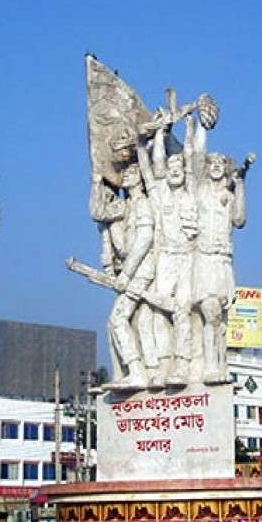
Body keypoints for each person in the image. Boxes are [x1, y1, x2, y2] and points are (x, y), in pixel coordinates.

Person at [186, 113, 248, 384]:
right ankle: (209, 367)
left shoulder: (229, 195)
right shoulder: (199, 190)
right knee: (210, 310)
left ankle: (218, 364)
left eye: (220, 164)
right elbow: (197, 155)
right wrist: (201, 126)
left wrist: (241, 185)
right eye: (212, 163)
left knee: (219, 319)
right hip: (203, 258)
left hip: (223, 261)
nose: (215, 166)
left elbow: (240, 220)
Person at [138, 119, 198, 385]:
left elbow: (193, 155)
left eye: (179, 167)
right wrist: (158, 134)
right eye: (171, 166)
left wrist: (190, 129)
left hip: (187, 258)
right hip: (165, 259)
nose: (174, 170)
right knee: (158, 312)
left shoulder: (192, 192)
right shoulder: (159, 192)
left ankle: (183, 366)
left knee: (183, 310)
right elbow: (152, 168)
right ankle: (162, 367)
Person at [106, 161, 158, 389]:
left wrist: (126, 274)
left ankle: (137, 371)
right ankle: (130, 371)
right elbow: (124, 246)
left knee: (118, 318)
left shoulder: (143, 204)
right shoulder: (127, 206)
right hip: (132, 269)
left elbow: (145, 239)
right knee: (121, 322)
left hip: (142, 270)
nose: (124, 177)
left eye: (129, 173)